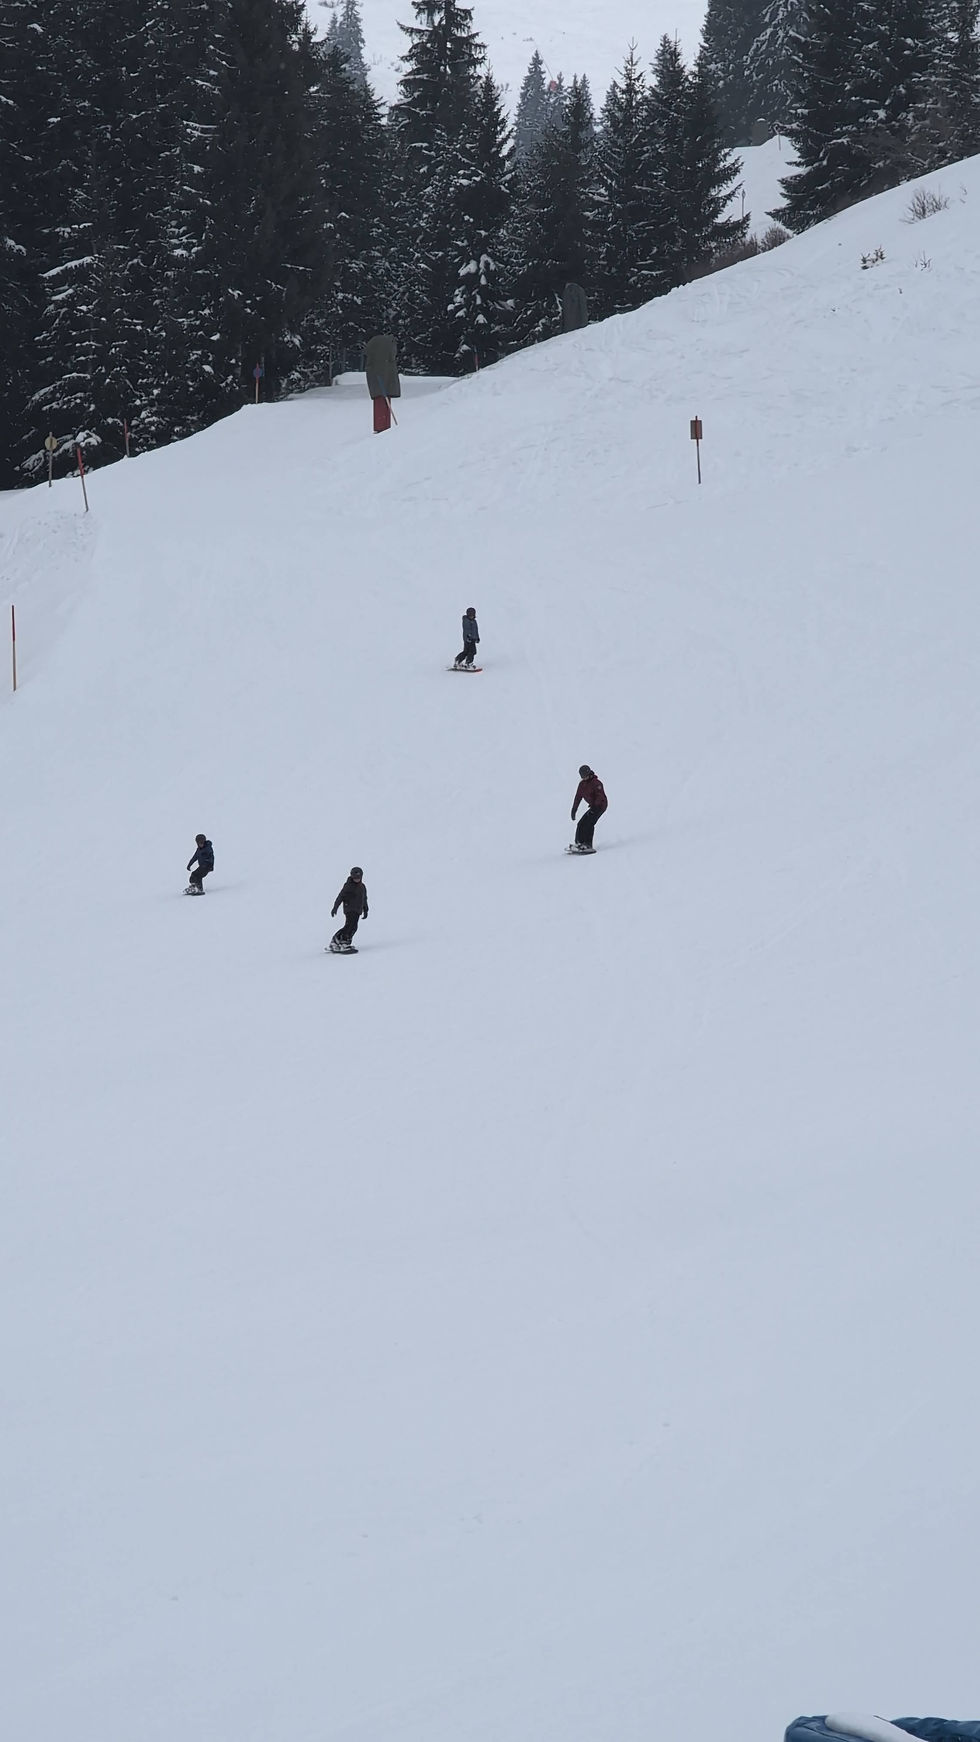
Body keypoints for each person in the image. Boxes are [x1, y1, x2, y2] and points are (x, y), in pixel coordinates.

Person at [330, 866, 368, 952]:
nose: (357, 880)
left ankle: (342, 942)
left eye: (358, 878)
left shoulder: (362, 887)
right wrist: (335, 907)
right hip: (349, 909)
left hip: (357, 910)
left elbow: (364, 899)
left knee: (353, 927)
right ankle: (342, 942)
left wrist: (365, 910)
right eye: (355, 878)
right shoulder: (348, 886)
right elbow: (341, 896)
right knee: (349, 926)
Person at [570, 766, 607, 852]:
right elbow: (578, 797)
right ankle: (579, 843)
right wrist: (574, 810)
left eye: (585, 776)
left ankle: (588, 844)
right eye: (582, 776)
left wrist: (595, 807)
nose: (584, 778)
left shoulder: (596, 783)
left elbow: (600, 796)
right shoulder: (582, 784)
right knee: (581, 823)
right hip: (593, 806)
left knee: (589, 824)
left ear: (589, 773)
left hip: (600, 805)